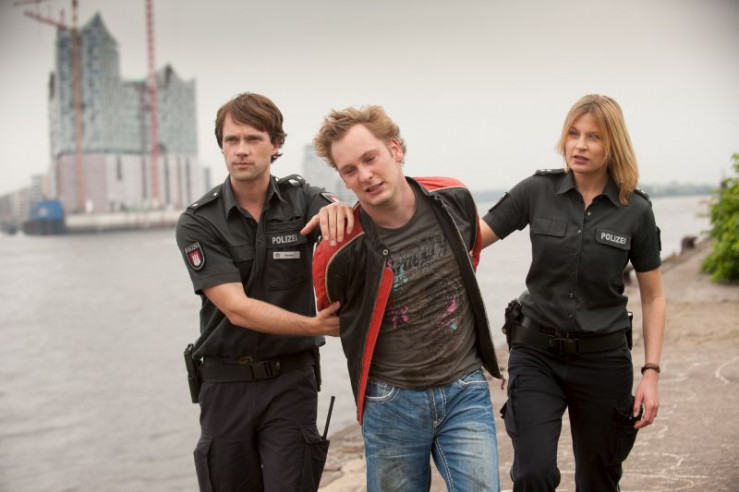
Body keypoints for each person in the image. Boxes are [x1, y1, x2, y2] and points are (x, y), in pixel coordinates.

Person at [312, 105, 503, 491]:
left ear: (395, 149)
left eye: (371, 158)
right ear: (343, 178)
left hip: (464, 389)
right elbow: (334, 317)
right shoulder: (337, 248)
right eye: (350, 170)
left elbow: (469, 259)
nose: (365, 175)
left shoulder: (453, 198)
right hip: (390, 403)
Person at [480, 94, 665, 491]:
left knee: (599, 479)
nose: (579, 145)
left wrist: (651, 374)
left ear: (613, 144)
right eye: (573, 134)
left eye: (594, 137)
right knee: (533, 473)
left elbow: (653, 297)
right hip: (536, 354)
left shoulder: (636, 210)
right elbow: (469, 240)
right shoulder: (536, 191)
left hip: (603, 360)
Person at [175, 92, 353, 492]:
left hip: (291, 381)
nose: (241, 150)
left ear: (276, 144)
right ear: (221, 145)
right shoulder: (199, 221)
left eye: (253, 139)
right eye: (232, 140)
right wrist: (315, 326)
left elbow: (346, 228)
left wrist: (337, 210)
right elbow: (236, 308)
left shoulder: (302, 200)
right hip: (225, 384)